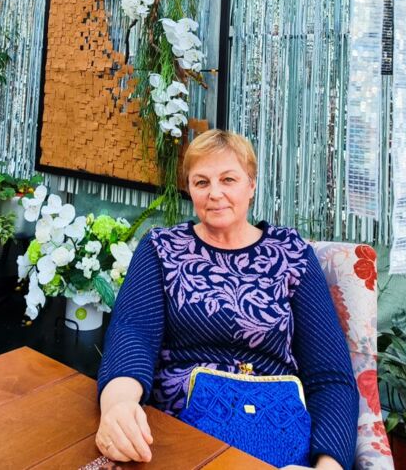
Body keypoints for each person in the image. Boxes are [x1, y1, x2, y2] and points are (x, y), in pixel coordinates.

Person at [96, 129, 359, 469]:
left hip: (275, 432)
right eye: (201, 182)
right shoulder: (162, 248)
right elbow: (132, 335)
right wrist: (118, 406)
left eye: (228, 179)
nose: (215, 193)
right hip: (181, 428)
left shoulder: (291, 254)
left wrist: (329, 465)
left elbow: (330, 375)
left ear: (251, 185)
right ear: (189, 189)